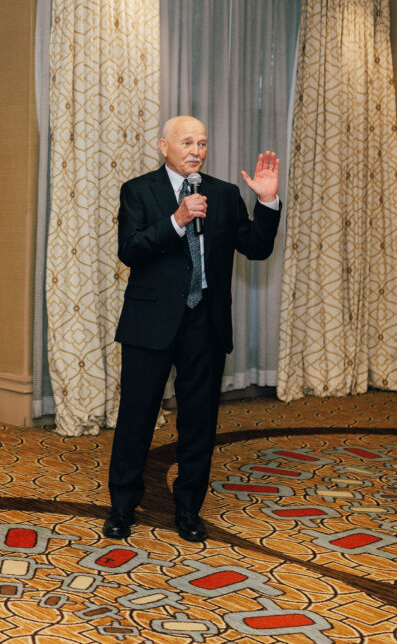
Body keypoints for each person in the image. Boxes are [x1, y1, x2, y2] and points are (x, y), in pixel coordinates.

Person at [104, 116, 281, 543]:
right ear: (163, 146)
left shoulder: (223, 193)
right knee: (136, 417)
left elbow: (255, 248)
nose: (196, 150)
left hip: (205, 321)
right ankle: (123, 506)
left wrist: (268, 203)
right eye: (186, 142)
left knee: (199, 421)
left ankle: (188, 508)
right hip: (151, 322)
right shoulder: (138, 190)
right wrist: (178, 220)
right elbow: (130, 250)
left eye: (202, 142)